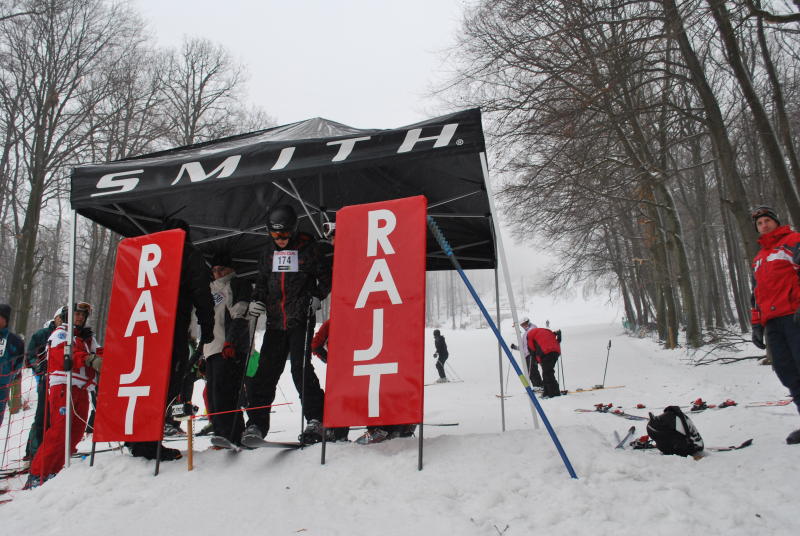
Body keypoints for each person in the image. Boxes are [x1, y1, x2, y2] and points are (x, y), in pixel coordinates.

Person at [125, 219, 214, 461]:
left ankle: (136, 436)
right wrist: (207, 326)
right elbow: (201, 292)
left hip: (144, 327)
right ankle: (147, 441)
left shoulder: (149, 254)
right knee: (168, 383)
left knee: (146, 381)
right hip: (169, 326)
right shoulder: (188, 254)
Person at [246, 204, 331, 445]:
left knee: (299, 369)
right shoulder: (267, 253)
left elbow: (326, 277)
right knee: (265, 372)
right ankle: (256, 424)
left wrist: (317, 296)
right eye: (275, 235)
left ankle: (316, 419)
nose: (280, 240)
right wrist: (257, 299)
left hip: (299, 318)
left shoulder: (309, 248)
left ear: (293, 231)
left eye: (284, 235)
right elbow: (262, 281)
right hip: (275, 321)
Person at [26, 302, 102, 488]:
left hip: (82, 389)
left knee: (76, 433)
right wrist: (87, 359)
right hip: (64, 386)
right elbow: (61, 354)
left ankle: (55, 469)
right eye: (77, 314)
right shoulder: (61, 333)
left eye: (83, 315)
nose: (80, 318)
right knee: (60, 431)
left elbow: (100, 351)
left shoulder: (88, 339)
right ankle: (38, 473)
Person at [749, 206, 800, 445]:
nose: (764, 225)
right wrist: (756, 325)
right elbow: (756, 294)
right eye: (760, 223)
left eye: (767, 220)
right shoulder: (759, 258)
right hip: (772, 322)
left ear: (776, 222)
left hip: (794, 315)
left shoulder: (793, 241)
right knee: (786, 371)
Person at [205, 251, 251, 446]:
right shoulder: (208, 289)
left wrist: (231, 342)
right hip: (211, 349)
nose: (217, 273)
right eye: (214, 270)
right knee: (212, 395)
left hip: (230, 348)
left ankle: (233, 436)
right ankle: (220, 435)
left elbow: (240, 315)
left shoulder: (238, 284)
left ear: (230, 268)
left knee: (226, 394)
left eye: (221, 269)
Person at [24, 309, 61, 460]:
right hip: (44, 380)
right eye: (60, 317)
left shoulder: (70, 334)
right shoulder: (42, 334)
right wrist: (39, 365)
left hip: (61, 382)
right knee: (42, 416)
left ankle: (51, 450)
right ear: (55, 318)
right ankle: (32, 452)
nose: (62, 320)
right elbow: (29, 357)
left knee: (56, 418)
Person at [0, 303, 25, 428]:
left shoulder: (15, 341)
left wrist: (10, 376)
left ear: (5, 319)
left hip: (2, 386)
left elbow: (19, 362)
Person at [527, 326, 562, 398]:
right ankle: (547, 392)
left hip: (546, 352)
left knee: (548, 373)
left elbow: (532, 350)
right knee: (546, 372)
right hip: (556, 351)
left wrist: (537, 361)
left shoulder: (529, 336)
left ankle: (554, 393)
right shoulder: (544, 331)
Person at [510, 317, 543, 388]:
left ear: (528, 322)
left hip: (531, 353)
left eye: (524, 324)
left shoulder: (532, 329)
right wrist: (515, 347)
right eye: (522, 325)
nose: (523, 326)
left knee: (532, 371)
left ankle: (538, 386)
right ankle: (538, 386)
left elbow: (533, 342)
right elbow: (523, 347)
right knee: (530, 371)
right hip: (527, 354)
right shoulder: (526, 333)